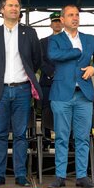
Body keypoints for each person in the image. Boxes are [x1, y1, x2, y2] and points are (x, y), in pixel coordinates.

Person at [48, 4, 94, 188]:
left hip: (83, 95)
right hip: (61, 94)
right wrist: (76, 51)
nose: (75, 18)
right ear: (62, 19)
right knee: (61, 137)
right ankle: (60, 176)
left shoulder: (89, 39)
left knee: (83, 138)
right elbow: (53, 55)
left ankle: (82, 176)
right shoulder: (55, 39)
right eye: (70, 15)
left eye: (77, 15)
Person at [0, 0, 42, 187]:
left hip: (22, 90)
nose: (14, 8)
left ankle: (20, 175)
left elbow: (36, 59)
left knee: (20, 134)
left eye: (17, 5)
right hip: (0, 90)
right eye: (10, 5)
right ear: (2, 9)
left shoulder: (29, 33)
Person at [39, 11, 63, 148]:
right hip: (47, 83)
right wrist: (52, 73)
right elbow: (40, 61)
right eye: (55, 22)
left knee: (66, 112)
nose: (57, 24)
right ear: (51, 24)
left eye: (59, 21)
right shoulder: (43, 42)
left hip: (65, 83)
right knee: (46, 112)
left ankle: (68, 141)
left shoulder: (70, 41)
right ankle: (45, 141)